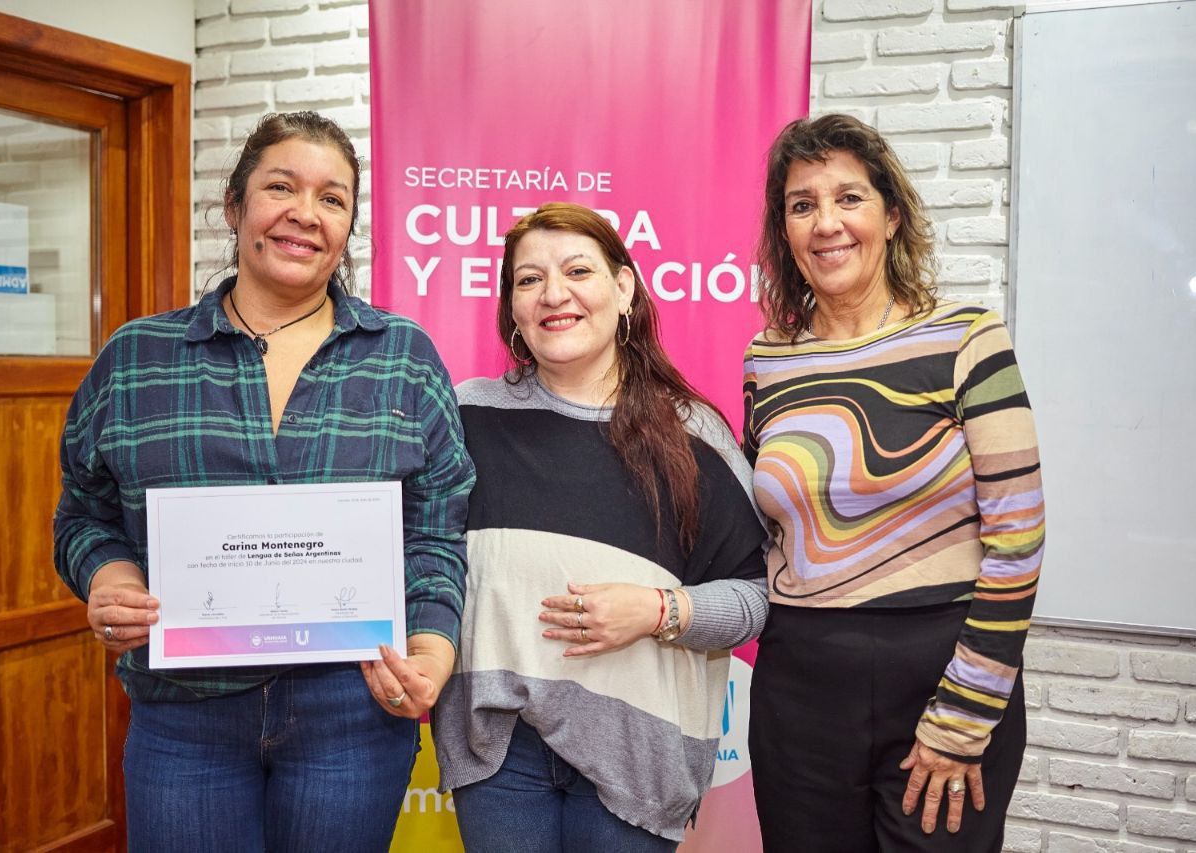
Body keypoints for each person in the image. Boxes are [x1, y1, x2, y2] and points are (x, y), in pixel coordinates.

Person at [52, 111, 474, 851]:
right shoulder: (136, 358)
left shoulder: (403, 357)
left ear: (348, 227)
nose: (305, 214)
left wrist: (433, 645)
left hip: (354, 705)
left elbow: (436, 531)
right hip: (184, 717)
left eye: (333, 198)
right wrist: (108, 576)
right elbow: (82, 514)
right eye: (282, 186)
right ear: (236, 205)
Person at [744, 113, 1045, 852]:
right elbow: (776, 528)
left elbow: (1018, 544)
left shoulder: (968, 338)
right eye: (802, 203)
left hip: (941, 674)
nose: (826, 223)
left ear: (892, 215)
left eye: (849, 197)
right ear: (784, 229)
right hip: (799, 689)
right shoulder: (767, 359)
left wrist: (964, 715)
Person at [432, 202, 768, 851]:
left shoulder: (693, 434)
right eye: (528, 280)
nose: (553, 294)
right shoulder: (464, 416)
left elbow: (758, 596)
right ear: (512, 309)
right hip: (499, 756)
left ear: (623, 287)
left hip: (639, 763)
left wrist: (657, 609)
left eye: (577, 270)